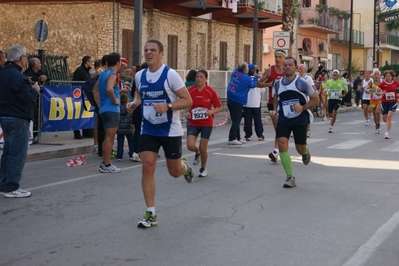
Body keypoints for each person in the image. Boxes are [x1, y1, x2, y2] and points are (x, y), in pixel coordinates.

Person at [126, 39, 194, 229]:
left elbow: (187, 100)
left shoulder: (170, 75)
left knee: (174, 172)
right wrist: (134, 103)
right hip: (148, 128)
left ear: (161, 53)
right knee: (147, 166)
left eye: (153, 50)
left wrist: (168, 106)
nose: (149, 53)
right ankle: (151, 213)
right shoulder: (139, 76)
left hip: (169, 130)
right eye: (146, 50)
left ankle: (184, 167)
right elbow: (140, 95)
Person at [272, 57, 319, 188]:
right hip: (284, 118)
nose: (287, 67)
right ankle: (289, 177)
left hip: (299, 119)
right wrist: (275, 110)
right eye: (285, 65)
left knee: (300, 148)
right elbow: (276, 97)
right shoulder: (278, 83)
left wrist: (302, 107)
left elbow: (316, 99)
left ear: (295, 67)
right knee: (282, 144)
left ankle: (305, 151)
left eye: (290, 65)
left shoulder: (301, 83)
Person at [0, 45, 41, 198]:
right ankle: (12, 187)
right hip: (18, 117)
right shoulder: (16, 75)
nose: (25, 60)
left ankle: (4, 184)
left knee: (9, 152)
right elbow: (26, 97)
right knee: (17, 153)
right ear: (21, 59)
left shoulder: (4, 72)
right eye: (24, 57)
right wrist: (34, 89)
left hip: (6, 116)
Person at [186, 69, 222, 177]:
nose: (198, 79)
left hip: (206, 123)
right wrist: (187, 112)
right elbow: (187, 103)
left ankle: (203, 168)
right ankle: (197, 153)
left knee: (203, 147)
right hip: (193, 122)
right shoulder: (191, 90)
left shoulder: (211, 92)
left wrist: (211, 111)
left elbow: (219, 107)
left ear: (206, 79)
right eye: (197, 77)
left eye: (201, 77)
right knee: (190, 145)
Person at [259, 49, 286, 162]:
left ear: (284, 58)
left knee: (280, 128)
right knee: (278, 128)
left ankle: (276, 151)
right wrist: (269, 84)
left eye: (280, 57)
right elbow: (258, 83)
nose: (277, 59)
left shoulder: (287, 70)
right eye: (276, 57)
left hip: (285, 103)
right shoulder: (270, 70)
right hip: (272, 103)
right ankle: (278, 150)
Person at [96, 52, 122, 173]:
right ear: (117, 62)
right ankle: (106, 164)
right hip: (112, 109)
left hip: (103, 109)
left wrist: (100, 104)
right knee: (109, 138)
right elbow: (109, 88)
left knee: (107, 137)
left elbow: (95, 90)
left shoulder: (103, 74)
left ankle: (105, 163)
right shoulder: (112, 74)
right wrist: (115, 100)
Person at [226, 62, 260, 145]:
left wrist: (253, 66)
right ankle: (232, 138)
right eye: (248, 68)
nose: (249, 69)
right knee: (236, 120)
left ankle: (238, 137)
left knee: (235, 119)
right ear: (245, 70)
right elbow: (253, 85)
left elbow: (243, 66)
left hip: (230, 97)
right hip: (238, 100)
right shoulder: (246, 78)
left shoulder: (235, 72)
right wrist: (256, 76)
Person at [24, 57, 50, 140]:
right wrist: (38, 79)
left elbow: (48, 77)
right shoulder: (28, 72)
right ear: (34, 65)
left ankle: (35, 133)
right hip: (32, 97)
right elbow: (28, 79)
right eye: (39, 63)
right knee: (33, 115)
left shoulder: (39, 72)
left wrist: (45, 78)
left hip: (39, 97)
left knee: (40, 115)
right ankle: (32, 134)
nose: (40, 64)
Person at [72, 55, 93, 139]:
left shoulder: (87, 71)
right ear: (86, 62)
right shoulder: (79, 70)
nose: (91, 63)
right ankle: (76, 132)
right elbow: (75, 82)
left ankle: (86, 131)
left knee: (85, 113)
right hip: (79, 95)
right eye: (90, 61)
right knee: (78, 113)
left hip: (86, 95)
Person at [243, 67, 265, 141]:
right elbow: (263, 90)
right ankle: (260, 135)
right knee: (257, 119)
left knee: (247, 120)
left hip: (246, 102)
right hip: (256, 103)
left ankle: (247, 135)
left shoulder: (245, 79)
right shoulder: (258, 80)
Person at [129, 63, 145, 162]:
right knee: (139, 131)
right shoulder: (139, 78)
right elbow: (135, 93)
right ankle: (136, 151)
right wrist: (134, 103)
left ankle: (135, 152)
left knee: (138, 131)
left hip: (141, 110)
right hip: (140, 110)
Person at [379, 70, 399, 139]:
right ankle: (387, 124)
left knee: (389, 117)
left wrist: (397, 94)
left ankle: (387, 133)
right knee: (385, 119)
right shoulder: (382, 84)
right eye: (386, 76)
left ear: (392, 77)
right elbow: (376, 92)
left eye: (389, 76)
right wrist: (382, 93)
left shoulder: (396, 83)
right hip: (384, 102)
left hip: (393, 101)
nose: (388, 77)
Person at [298, 64, 316, 138]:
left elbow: (313, 87)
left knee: (307, 114)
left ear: (304, 70)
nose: (300, 71)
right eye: (299, 69)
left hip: (306, 99)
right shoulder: (296, 78)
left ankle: (308, 129)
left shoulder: (308, 78)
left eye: (302, 69)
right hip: (298, 99)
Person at [116, 93, 134, 161]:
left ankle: (119, 156)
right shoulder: (129, 107)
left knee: (120, 142)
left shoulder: (118, 107)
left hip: (120, 127)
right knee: (131, 142)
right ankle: (131, 154)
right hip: (129, 127)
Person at [368, 70, 382, 134]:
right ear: (373, 75)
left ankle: (378, 124)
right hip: (373, 99)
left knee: (378, 111)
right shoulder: (371, 82)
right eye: (375, 74)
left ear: (379, 75)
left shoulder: (382, 82)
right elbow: (367, 88)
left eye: (377, 74)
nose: (376, 76)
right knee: (374, 114)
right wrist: (369, 90)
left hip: (380, 99)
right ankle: (376, 125)